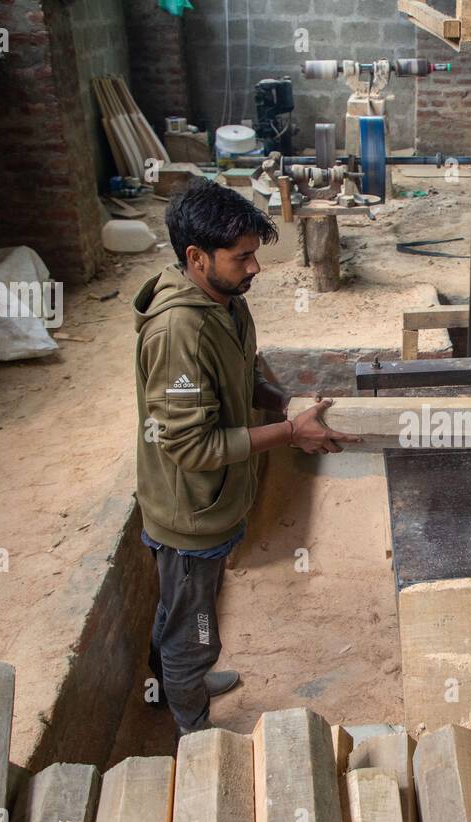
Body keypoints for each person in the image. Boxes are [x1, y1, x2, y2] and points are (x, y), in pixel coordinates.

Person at [132, 178, 359, 737]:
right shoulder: (177, 332)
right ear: (196, 257)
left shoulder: (226, 303)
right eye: (243, 257)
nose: (255, 267)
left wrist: (285, 403)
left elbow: (244, 375)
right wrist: (288, 432)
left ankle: (173, 680)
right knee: (195, 624)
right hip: (191, 513)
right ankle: (194, 733)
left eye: (255, 253)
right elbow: (191, 446)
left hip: (214, 503)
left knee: (184, 608)